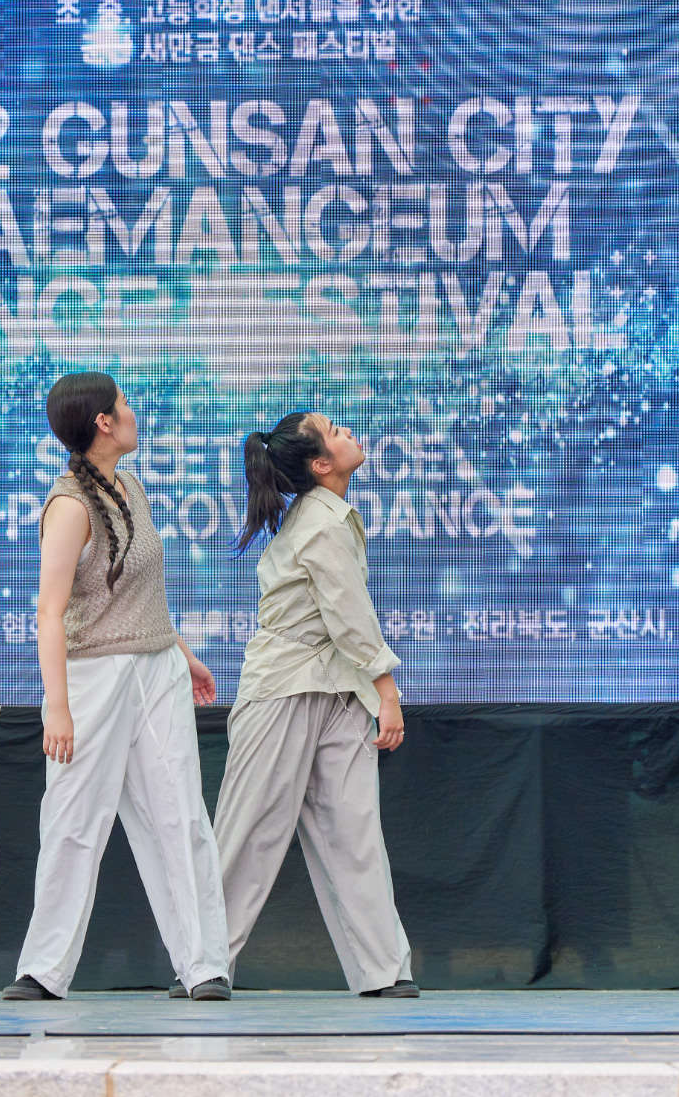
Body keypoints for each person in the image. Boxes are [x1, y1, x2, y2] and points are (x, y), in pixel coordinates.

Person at [2, 372, 231, 1001]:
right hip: (92, 676)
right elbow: (49, 613)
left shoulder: (131, 487)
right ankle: (44, 969)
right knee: (74, 819)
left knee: (180, 813)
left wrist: (183, 652)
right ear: (104, 422)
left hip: (156, 668)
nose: (133, 412)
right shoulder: (69, 505)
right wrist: (57, 707)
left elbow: (140, 593)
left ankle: (204, 965)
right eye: (124, 404)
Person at [210, 412, 419, 998]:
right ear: (321, 464)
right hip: (285, 686)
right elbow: (350, 616)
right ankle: (203, 962)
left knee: (353, 830)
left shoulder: (327, 515)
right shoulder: (322, 522)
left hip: (336, 688)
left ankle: (383, 970)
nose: (349, 430)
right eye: (334, 430)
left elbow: (346, 618)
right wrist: (387, 692)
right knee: (249, 829)